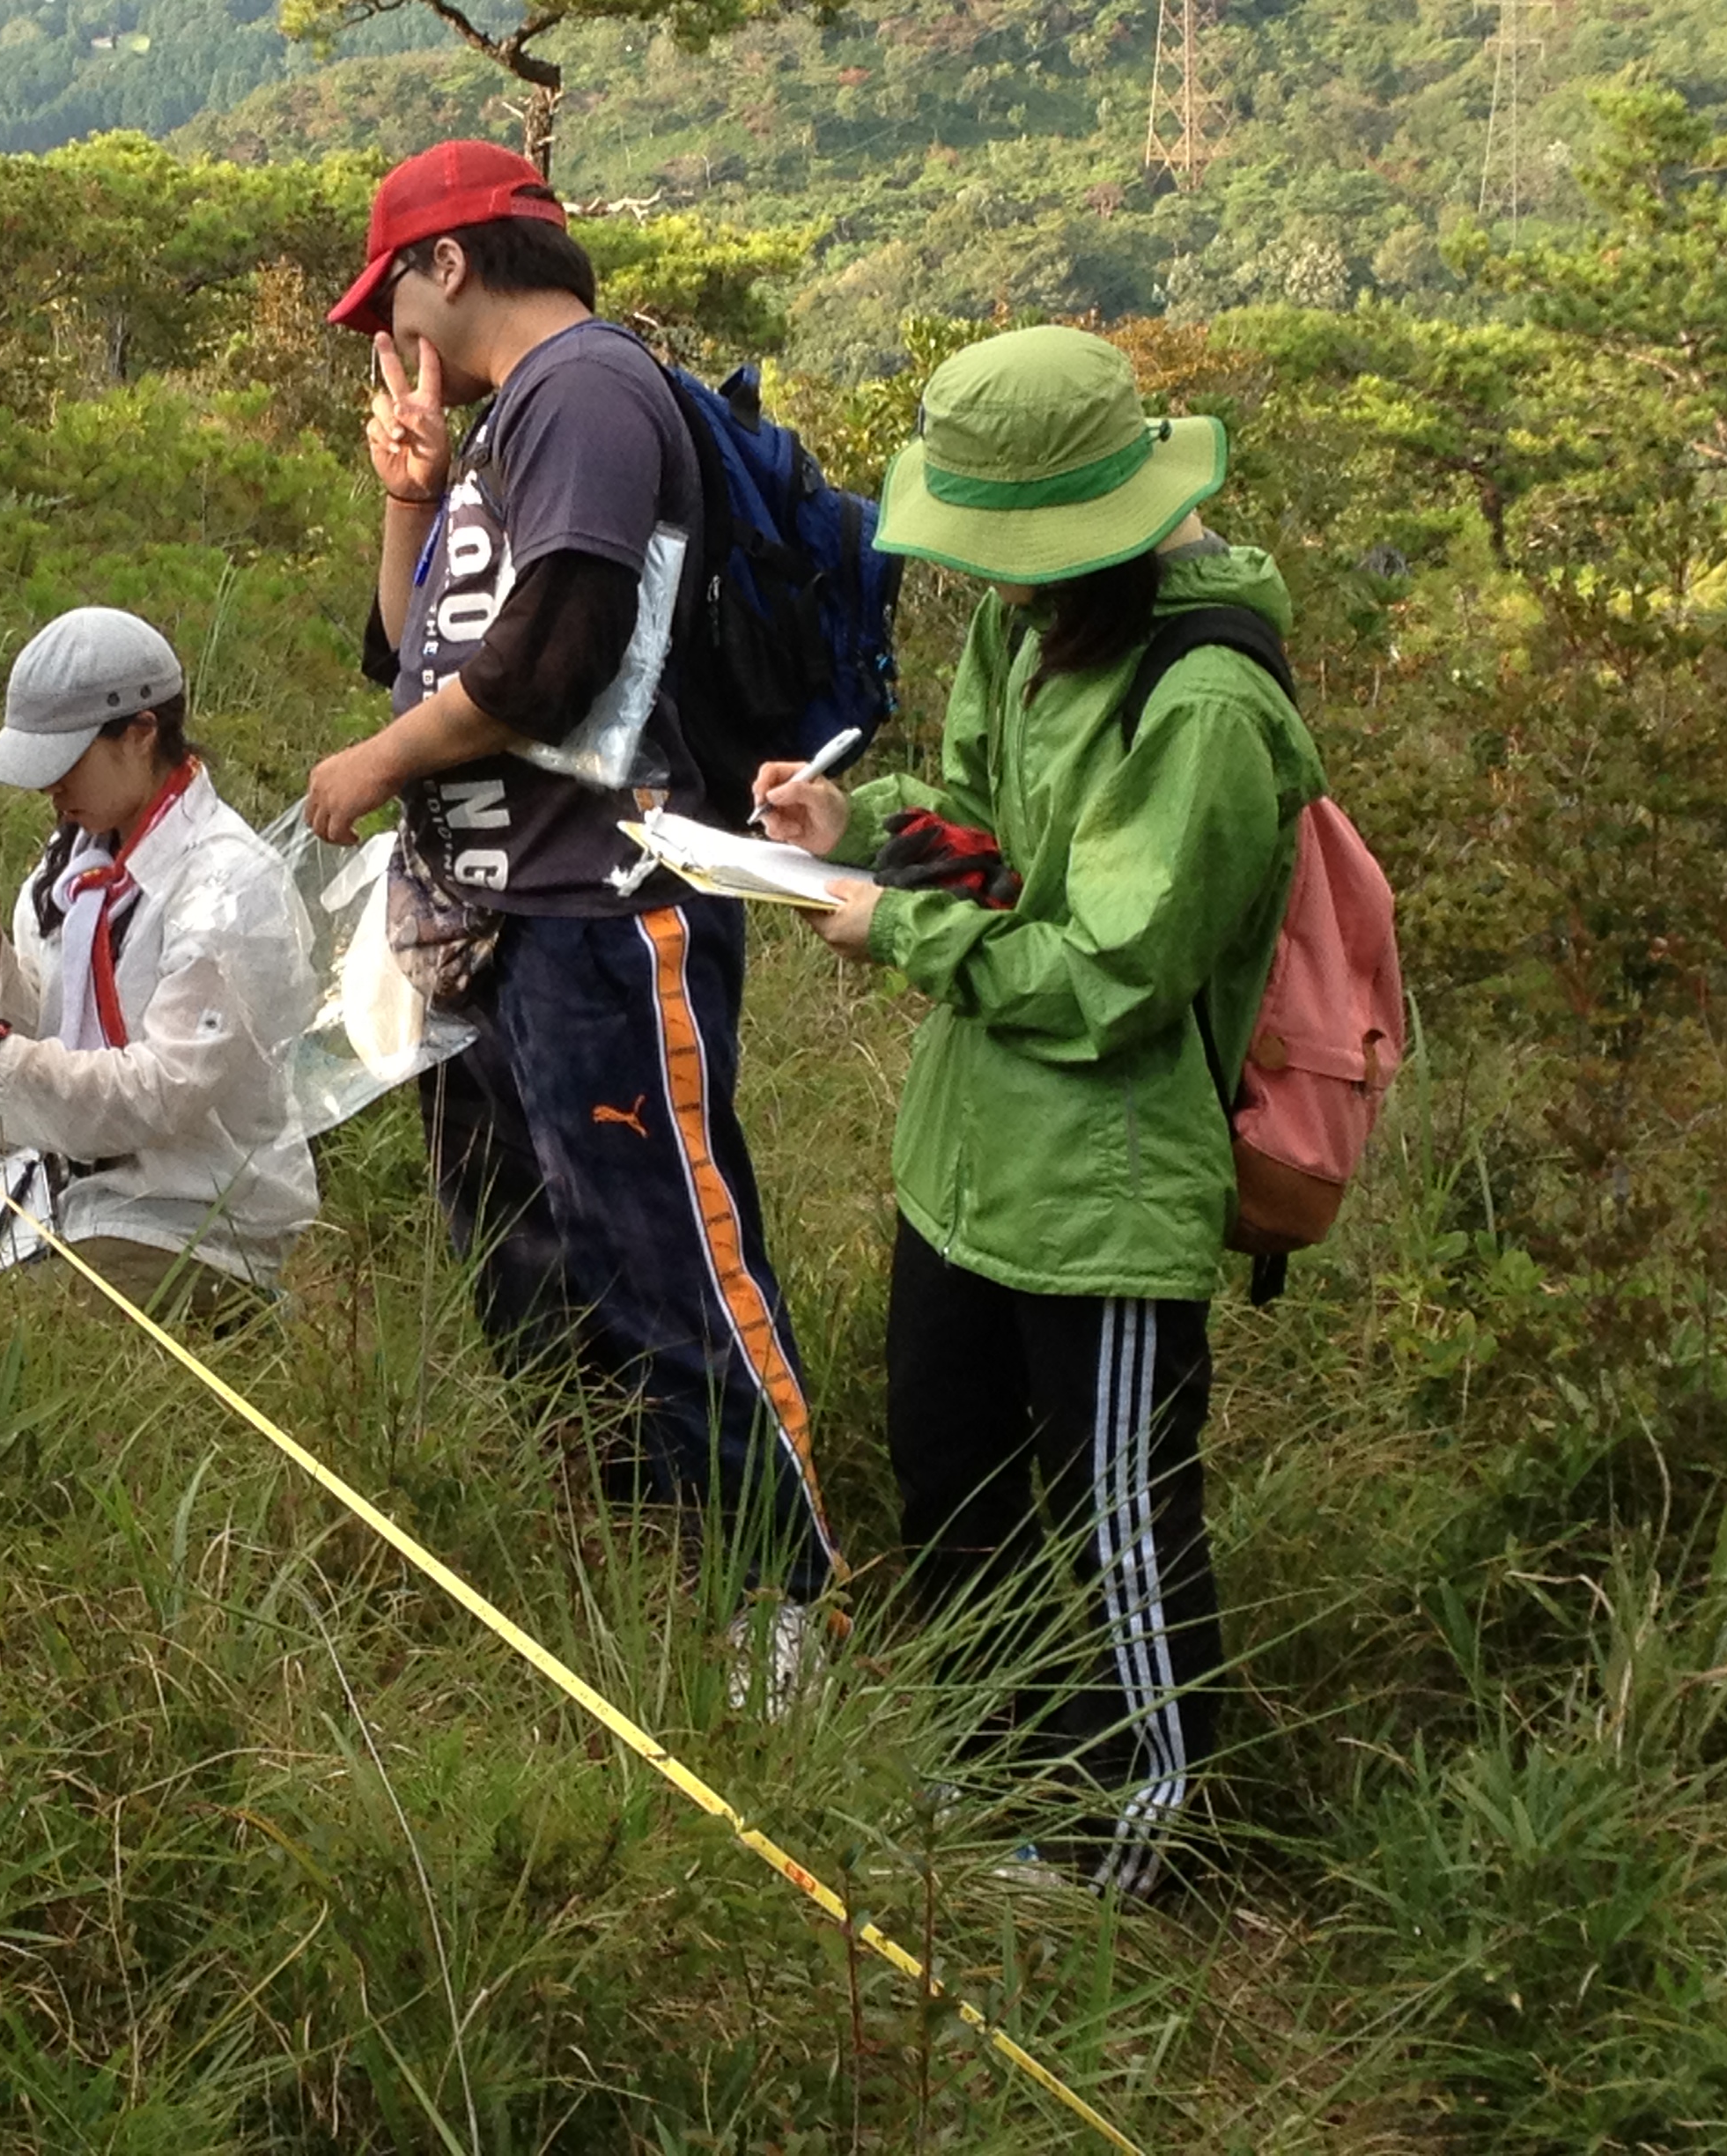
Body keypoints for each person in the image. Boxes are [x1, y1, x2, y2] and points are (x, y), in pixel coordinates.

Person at [754, 324, 1329, 1893]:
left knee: (1116, 1528)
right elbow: (981, 824)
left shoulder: (1206, 701)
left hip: (1105, 1192)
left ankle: (1135, 1850)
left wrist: (898, 932)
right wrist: (849, 823)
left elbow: (1118, 977)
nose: (994, 584)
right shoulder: (1038, 629)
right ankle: (992, 1774)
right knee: (950, 1481)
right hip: (965, 1157)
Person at [304, 139, 841, 1698]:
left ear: (450, 262)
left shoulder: (590, 392)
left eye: (390, 300)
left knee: (663, 1259)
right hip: (493, 920)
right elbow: (414, 650)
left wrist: (374, 767)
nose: (388, 336)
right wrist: (408, 499)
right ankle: (642, 1562)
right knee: (530, 1261)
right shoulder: (507, 428)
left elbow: (551, 662)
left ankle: (779, 1610)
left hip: (603, 913)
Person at [0, 606, 319, 1320]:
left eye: (66, 762)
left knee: (27, 1324)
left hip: (193, 1212)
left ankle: (246, 1311)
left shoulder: (228, 888)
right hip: (73, 1188)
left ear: (141, 733)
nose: (50, 789)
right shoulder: (73, 862)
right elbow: (59, 1032)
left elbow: (161, 1093)